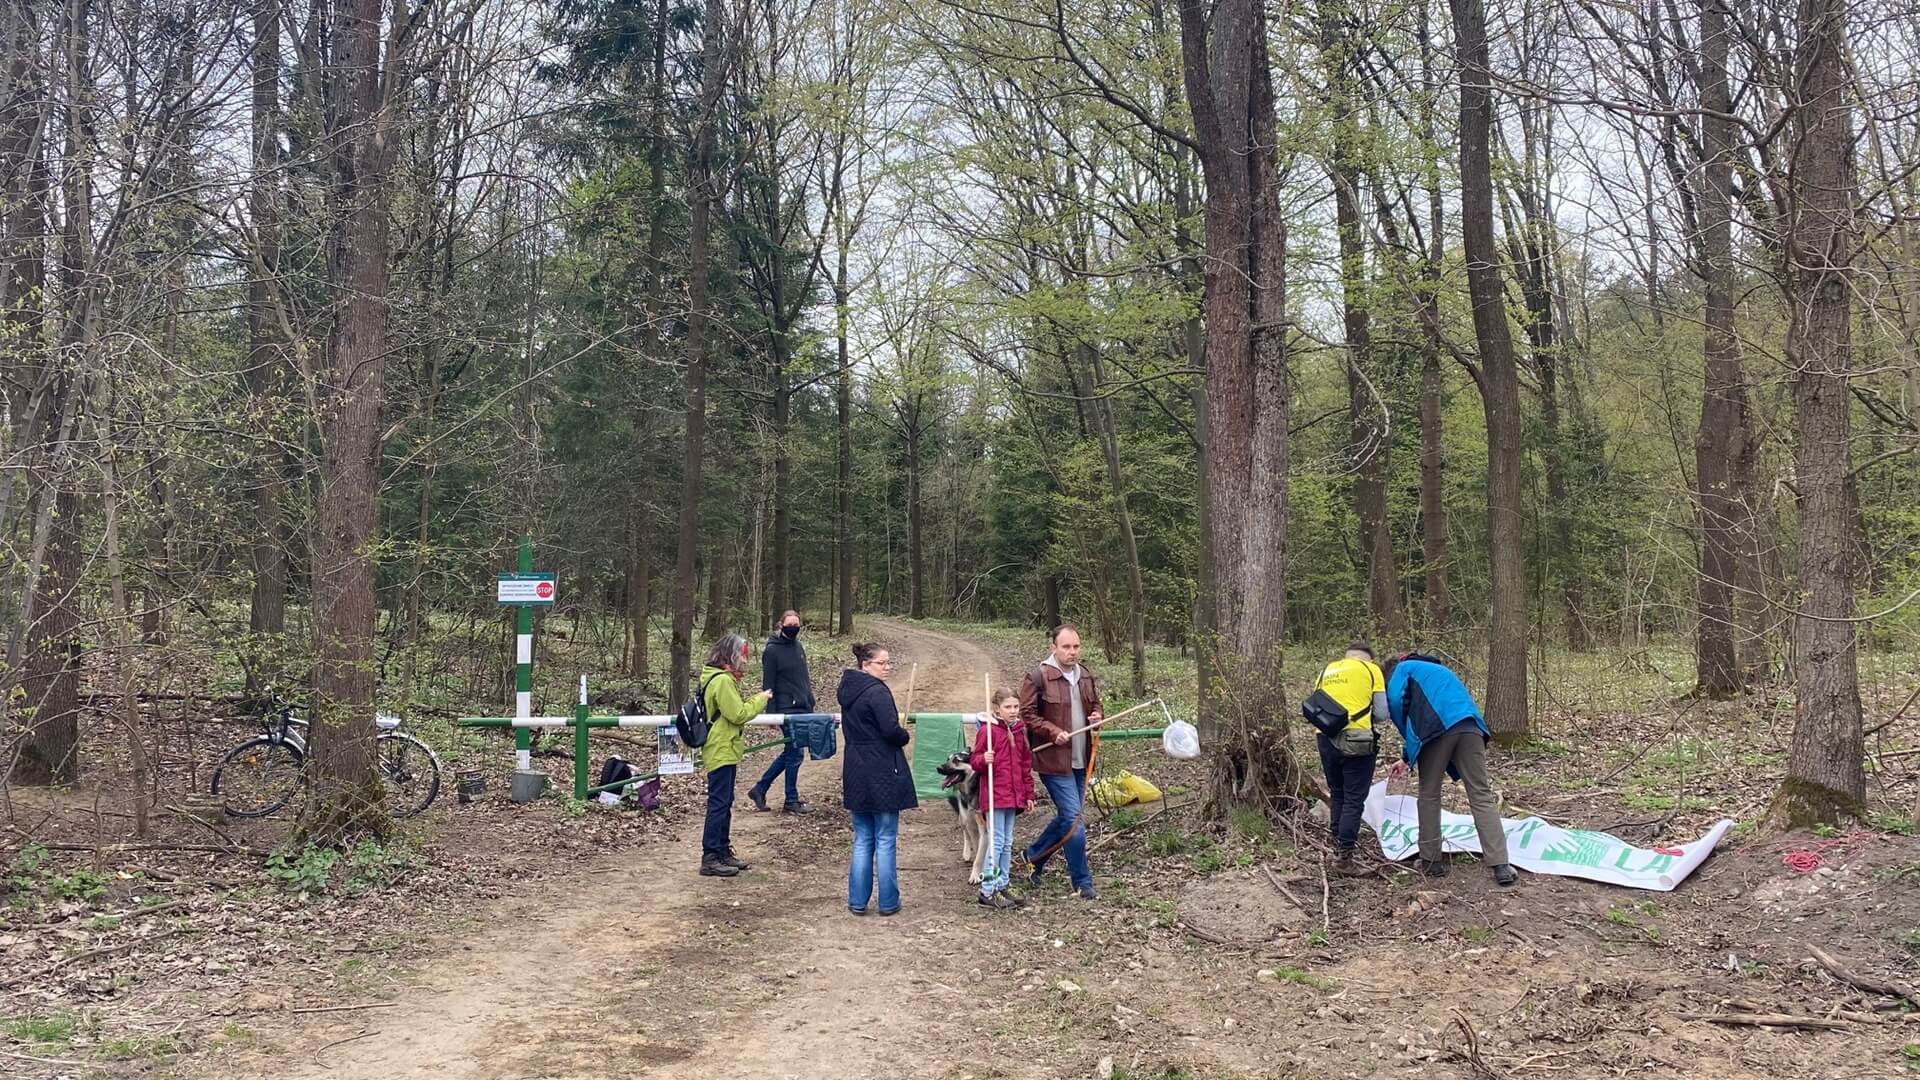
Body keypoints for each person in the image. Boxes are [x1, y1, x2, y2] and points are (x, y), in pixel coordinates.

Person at [1381, 653, 1517, 887]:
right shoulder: (1440, 670)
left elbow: (1395, 702)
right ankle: (1501, 864)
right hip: (1471, 727)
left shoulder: (1402, 669)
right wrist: (1406, 757)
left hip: (1436, 732)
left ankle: (1431, 861)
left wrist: (1410, 743)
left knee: (1429, 795)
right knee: (1481, 794)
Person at [1020, 624, 1103, 900]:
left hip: (1081, 759)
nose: (1072, 652)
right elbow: (1027, 715)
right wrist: (1052, 731)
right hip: (1053, 762)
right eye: (1066, 647)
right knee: (1074, 820)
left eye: (1076, 646)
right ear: (1053, 648)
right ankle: (1082, 882)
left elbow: (1096, 705)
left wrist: (1097, 717)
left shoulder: (1085, 675)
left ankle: (1033, 855)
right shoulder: (1038, 677)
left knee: (1068, 817)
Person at [839, 641, 916, 915]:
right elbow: (890, 731)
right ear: (866, 664)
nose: (887, 667)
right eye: (882, 663)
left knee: (862, 838)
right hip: (881, 769)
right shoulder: (877, 692)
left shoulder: (848, 688)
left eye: (888, 662)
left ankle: (857, 901)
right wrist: (903, 735)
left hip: (855, 767)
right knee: (884, 838)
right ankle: (888, 901)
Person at [697, 634, 771, 878]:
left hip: (725, 747)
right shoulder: (722, 681)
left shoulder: (720, 678)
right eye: (742, 655)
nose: (745, 661)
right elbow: (737, 714)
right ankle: (710, 856)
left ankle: (722, 850)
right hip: (721, 747)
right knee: (719, 803)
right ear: (731, 655)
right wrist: (760, 699)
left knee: (725, 801)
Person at [1310, 641, 1387, 876]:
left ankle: (1337, 845)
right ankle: (1344, 858)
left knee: (1338, 793)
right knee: (1354, 799)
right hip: (1357, 740)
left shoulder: (1327, 670)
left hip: (1325, 737)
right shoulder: (1371, 670)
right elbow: (1382, 712)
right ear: (1369, 659)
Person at [972, 687, 1036, 910]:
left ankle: (1002, 884)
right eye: (1008, 707)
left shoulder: (1019, 730)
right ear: (997, 709)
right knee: (996, 842)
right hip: (995, 795)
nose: (1013, 711)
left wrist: (1029, 793)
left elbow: (1025, 764)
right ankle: (987, 890)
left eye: (1016, 706)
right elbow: (975, 761)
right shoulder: (987, 731)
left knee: (1007, 842)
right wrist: (984, 758)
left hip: (1014, 795)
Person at [748, 610, 815, 815]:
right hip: (785, 709)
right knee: (795, 754)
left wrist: (810, 701)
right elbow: (768, 684)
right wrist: (771, 714)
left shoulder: (799, 647)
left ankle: (760, 789)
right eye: (790, 624)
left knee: (791, 752)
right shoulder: (772, 651)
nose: (793, 628)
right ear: (781, 625)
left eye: (796, 624)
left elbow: (803, 678)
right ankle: (790, 800)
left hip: (803, 707)